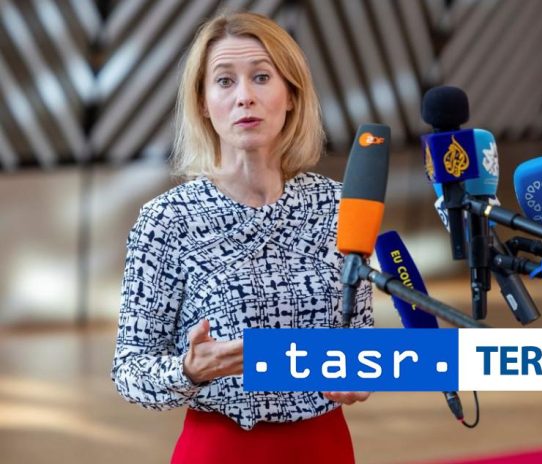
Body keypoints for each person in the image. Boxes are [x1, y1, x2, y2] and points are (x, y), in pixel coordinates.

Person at [111, 11, 373, 464]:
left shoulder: (338, 207)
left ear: (291, 95)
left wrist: (362, 372)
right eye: (224, 81)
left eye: (261, 77)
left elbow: (359, 337)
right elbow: (130, 370)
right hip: (220, 448)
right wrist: (189, 369)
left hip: (325, 446)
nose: (245, 96)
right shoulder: (167, 220)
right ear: (202, 103)